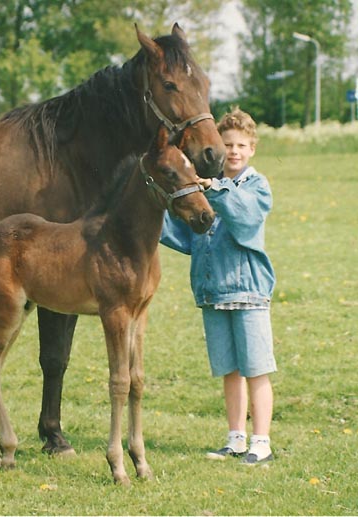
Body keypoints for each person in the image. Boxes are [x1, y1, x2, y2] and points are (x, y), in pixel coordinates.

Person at [160, 107, 276, 465]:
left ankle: (262, 442)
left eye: (242, 145)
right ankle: (235, 439)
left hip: (249, 293)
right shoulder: (205, 189)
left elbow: (244, 219)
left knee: (255, 369)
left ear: (252, 148)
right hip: (212, 292)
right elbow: (186, 235)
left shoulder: (256, 187)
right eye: (228, 145)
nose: (235, 151)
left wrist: (215, 188)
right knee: (229, 370)